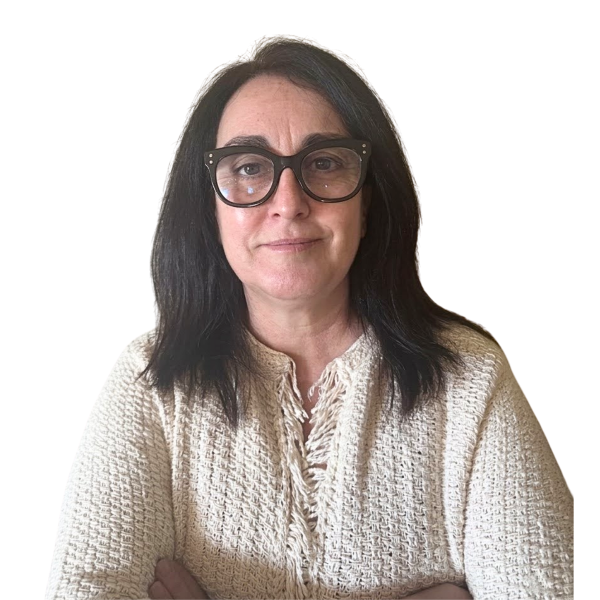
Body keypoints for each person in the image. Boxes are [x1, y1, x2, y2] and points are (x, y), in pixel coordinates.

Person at [45, 35, 574, 600]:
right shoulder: (150, 379)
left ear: (368, 203)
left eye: (324, 163)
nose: (289, 202)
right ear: (209, 209)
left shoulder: (474, 382)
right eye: (249, 167)